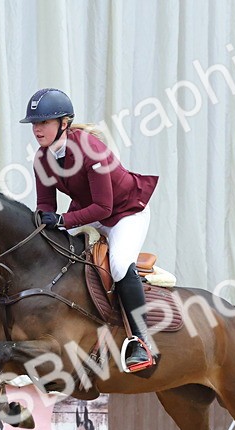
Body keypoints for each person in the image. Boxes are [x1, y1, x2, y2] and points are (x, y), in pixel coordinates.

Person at [21, 88, 160, 373]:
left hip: (125, 212)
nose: (37, 129)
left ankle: (142, 341)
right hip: (89, 211)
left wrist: (61, 221)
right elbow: (45, 205)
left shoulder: (90, 150)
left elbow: (104, 208)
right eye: (34, 123)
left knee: (120, 265)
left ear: (64, 123)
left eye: (43, 122)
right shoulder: (42, 158)